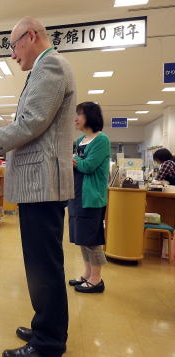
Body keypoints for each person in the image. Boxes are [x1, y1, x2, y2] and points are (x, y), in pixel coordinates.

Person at [0, 16, 76, 357]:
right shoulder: (41, 70)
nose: (12, 54)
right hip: (38, 185)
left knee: (44, 266)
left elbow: (32, 122)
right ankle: (46, 326)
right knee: (41, 263)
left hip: (43, 185)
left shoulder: (50, 66)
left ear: (30, 36)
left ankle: (48, 342)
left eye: (13, 45)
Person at [68, 102, 111, 294]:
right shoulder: (79, 140)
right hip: (76, 195)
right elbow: (76, 164)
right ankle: (87, 273)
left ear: (90, 116)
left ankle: (97, 278)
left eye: (79, 114)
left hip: (92, 197)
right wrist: (74, 161)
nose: (75, 118)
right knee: (81, 238)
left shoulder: (102, 140)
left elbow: (88, 166)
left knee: (92, 239)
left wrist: (73, 160)